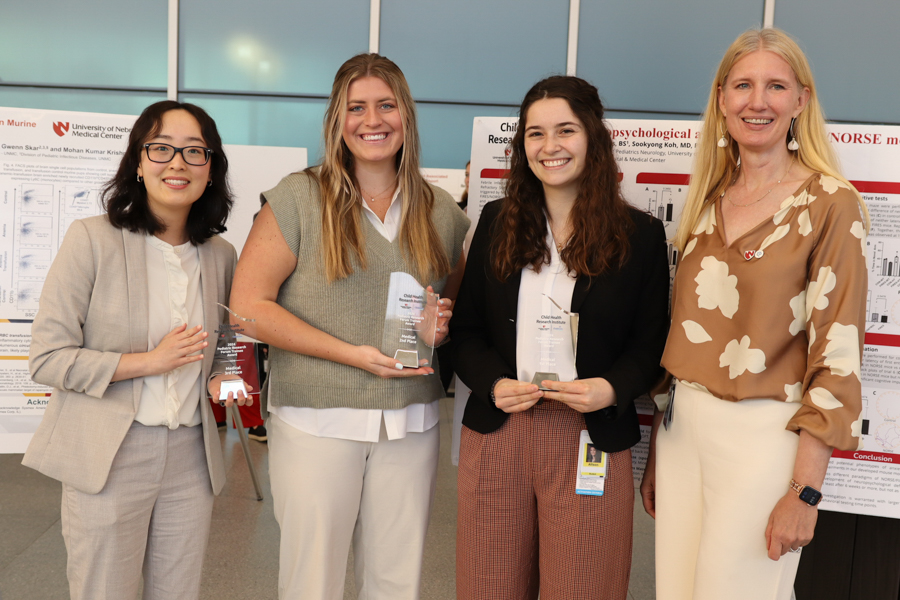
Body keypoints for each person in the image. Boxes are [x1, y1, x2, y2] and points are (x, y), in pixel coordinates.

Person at [229, 53, 469, 600]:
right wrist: (351, 354)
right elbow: (247, 307)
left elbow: (447, 317)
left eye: (386, 105)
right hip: (318, 421)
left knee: (396, 581)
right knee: (313, 581)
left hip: (411, 423)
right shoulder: (297, 198)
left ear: (406, 115)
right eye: (356, 107)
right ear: (337, 120)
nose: (372, 120)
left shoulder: (442, 214)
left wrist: (440, 331)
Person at [640, 28, 869, 600]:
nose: (757, 101)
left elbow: (838, 357)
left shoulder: (831, 204)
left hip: (764, 439)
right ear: (721, 99)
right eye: (743, 85)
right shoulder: (705, 201)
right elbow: (681, 334)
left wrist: (805, 492)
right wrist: (655, 453)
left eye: (775, 86)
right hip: (682, 432)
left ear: (801, 102)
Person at [451, 75, 670, 600]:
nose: (549, 147)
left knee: (584, 586)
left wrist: (611, 389)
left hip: (588, 434)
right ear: (521, 144)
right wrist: (493, 385)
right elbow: (466, 330)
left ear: (593, 137)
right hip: (499, 429)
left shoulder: (639, 235)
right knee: (490, 585)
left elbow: (650, 344)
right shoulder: (496, 221)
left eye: (565, 130)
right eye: (535, 133)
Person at [23, 100, 250, 600]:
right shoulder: (92, 239)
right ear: (138, 161)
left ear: (211, 170)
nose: (177, 163)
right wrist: (150, 362)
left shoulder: (221, 255)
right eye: (162, 148)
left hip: (192, 455)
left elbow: (227, 342)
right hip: (111, 452)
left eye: (195, 151)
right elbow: (47, 357)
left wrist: (222, 375)